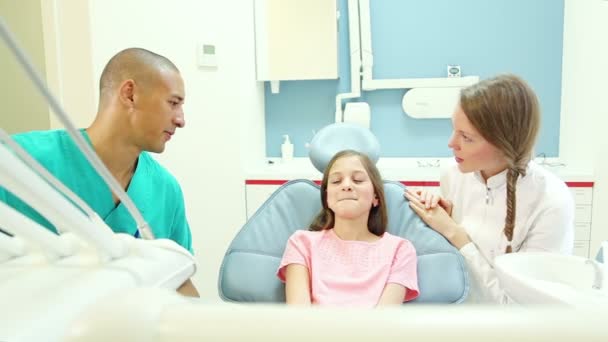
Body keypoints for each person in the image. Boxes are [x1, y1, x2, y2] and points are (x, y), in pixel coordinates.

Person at [0, 48, 198, 297]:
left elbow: (182, 283)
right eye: (173, 103)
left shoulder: (165, 190)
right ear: (130, 94)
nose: (181, 120)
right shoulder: (20, 161)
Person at [404, 74, 574, 303]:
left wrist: (456, 235)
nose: (451, 143)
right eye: (454, 129)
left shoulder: (551, 201)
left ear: (504, 143)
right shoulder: (453, 175)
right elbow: (452, 268)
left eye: (466, 137)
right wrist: (433, 222)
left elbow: (518, 306)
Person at [277, 150, 419, 307]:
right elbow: (298, 317)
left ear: (375, 197)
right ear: (327, 198)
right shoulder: (301, 244)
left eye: (357, 180)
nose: (346, 186)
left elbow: (384, 321)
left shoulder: (400, 250)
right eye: (336, 181)